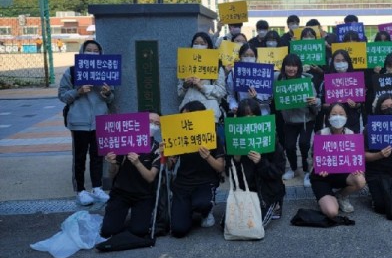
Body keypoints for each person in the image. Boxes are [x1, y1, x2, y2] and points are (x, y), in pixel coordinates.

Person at [58, 39, 113, 206]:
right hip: (79, 121)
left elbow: (111, 98)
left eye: (95, 50)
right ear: (82, 52)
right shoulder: (73, 71)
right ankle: (80, 190)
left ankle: (97, 187)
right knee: (80, 157)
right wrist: (78, 91)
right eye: (89, 50)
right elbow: (62, 95)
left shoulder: (105, 71)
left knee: (98, 156)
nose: (92, 53)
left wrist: (107, 93)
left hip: (99, 120)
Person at [101, 111, 162, 238]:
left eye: (157, 124)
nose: (153, 126)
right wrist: (112, 163)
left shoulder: (157, 148)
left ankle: (140, 216)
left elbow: (151, 177)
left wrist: (137, 163)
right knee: (108, 231)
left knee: (139, 231)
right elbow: (112, 174)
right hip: (120, 192)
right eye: (150, 122)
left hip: (143, 195)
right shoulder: (124, 141)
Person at [225, 99, 286, 226]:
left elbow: (279, 170)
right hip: (245, 191)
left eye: (253, 116)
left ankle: (275, 204)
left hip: (267, 191)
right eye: (245, 116)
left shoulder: (270, 137)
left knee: (254, 225)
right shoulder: (234, 139)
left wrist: (261, 161)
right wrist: (235, 160)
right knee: (231, 224)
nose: (249, 120)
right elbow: (229, 174)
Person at [170, 101, 225, 238]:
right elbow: (170, 165)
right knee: (178, 230)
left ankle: (206, 211)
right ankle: (185, 209)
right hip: (183, 184)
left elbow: (220, 167)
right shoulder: (179, 136)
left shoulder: (212, 136)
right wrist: (166, 156)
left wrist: (208, 157)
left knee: (202, 203)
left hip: (205, 182)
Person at [309, 103, 366, 217]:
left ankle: (341, 196)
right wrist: (319, 167)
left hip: (342, 173)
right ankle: (327, 198)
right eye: (334, 114)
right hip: (322, 176)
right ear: (328, 118)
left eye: (341, 114)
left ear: (346, 117)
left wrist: (357, 169)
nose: (338, 117)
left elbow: (355, 158)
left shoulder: (351, 134)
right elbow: (314, 158)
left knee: (360, 180)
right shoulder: (320, 134)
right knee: (332, 212)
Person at [276, 53, 321, 186]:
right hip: (289, 122)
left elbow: (317, 100)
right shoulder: (280, 82)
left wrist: (314, 101)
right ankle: (294, 168)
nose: (291, 68)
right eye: (288, 65)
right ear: (284, 67)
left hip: (306, 120)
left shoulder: (306, 82)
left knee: (304, 144)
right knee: (289, 146)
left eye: (294, 66)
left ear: (299, 67)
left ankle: (307, 171)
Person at [177, 32, 227, 124]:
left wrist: (202, 87)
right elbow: (180, 93)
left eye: (202, 44)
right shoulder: (185, 65)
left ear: (209, 46)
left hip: (209, 111)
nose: (198, 46)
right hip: (187, 112)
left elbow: (221, 91)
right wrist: (185, 85)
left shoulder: (216, 65)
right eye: (196, 43)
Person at [320, 49, 362, 133]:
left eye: (343, 60)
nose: (341, 63)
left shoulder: (356, 79)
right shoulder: (326, 81)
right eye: (338, 61)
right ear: (333, 62)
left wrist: (355, 105)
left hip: (352, 120)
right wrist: (327, 105)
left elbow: (361, 102)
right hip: (333, 121)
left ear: (348, 62)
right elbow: (321, 102)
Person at [226, 43, 272, 116]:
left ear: (256, 57)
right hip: (242, 114)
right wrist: (233, 106)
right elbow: (231, 95)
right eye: (245, 55)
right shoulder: (233, 73)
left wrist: (257, 98)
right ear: (240, 57)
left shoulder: (265, 72)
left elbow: (270, 99)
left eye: (251, 56)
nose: (248, 58)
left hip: (262, 113)